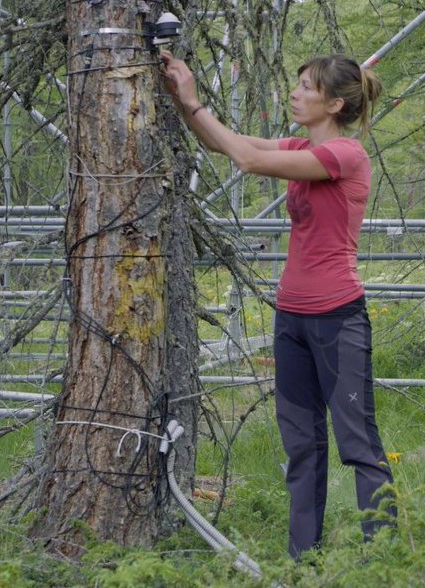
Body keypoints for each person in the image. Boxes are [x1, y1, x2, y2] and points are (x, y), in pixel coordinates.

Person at [161, 50, 396, 559]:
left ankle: (386, 558)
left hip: (338, 320)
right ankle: (303, 560)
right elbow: (229, 146)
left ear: (334, 103)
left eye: (307, 87)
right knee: (301, 446)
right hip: (291, 319)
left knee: (358, 444)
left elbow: (247, 160)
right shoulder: (298, 146)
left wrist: (197, 101)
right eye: (298, 82)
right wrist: (184, 101)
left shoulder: (345, 156)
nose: (295, 92)